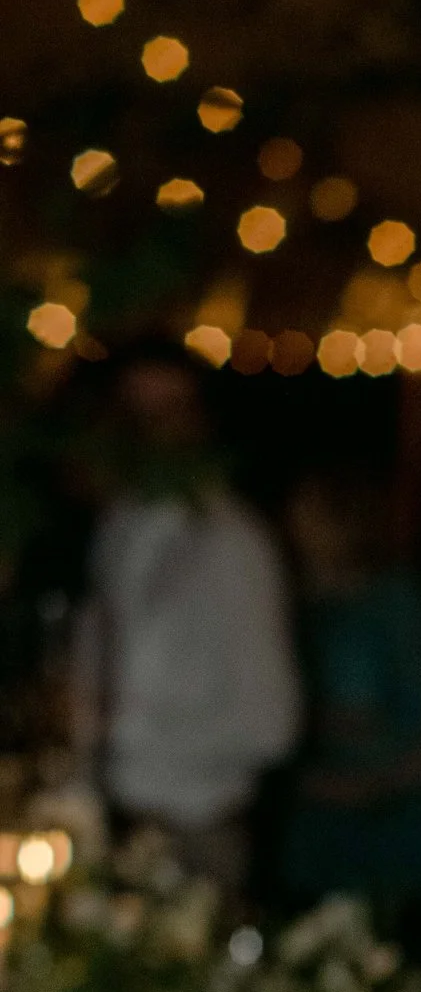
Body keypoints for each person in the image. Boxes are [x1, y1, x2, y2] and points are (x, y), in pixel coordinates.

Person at [74, 344, 299, 895]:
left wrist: (145, 753)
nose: (149, 430)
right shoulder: (118, 528)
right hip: (102, 831)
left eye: (168, 410)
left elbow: (271, 726)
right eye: (133, 412)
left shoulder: (232, 542)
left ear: (201, 418)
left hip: (191, 836)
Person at [279, 471, 421, 921]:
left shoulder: (397, 605)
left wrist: (373, 783)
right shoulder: (300, 606)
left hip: (392, 825)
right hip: (319, 828)